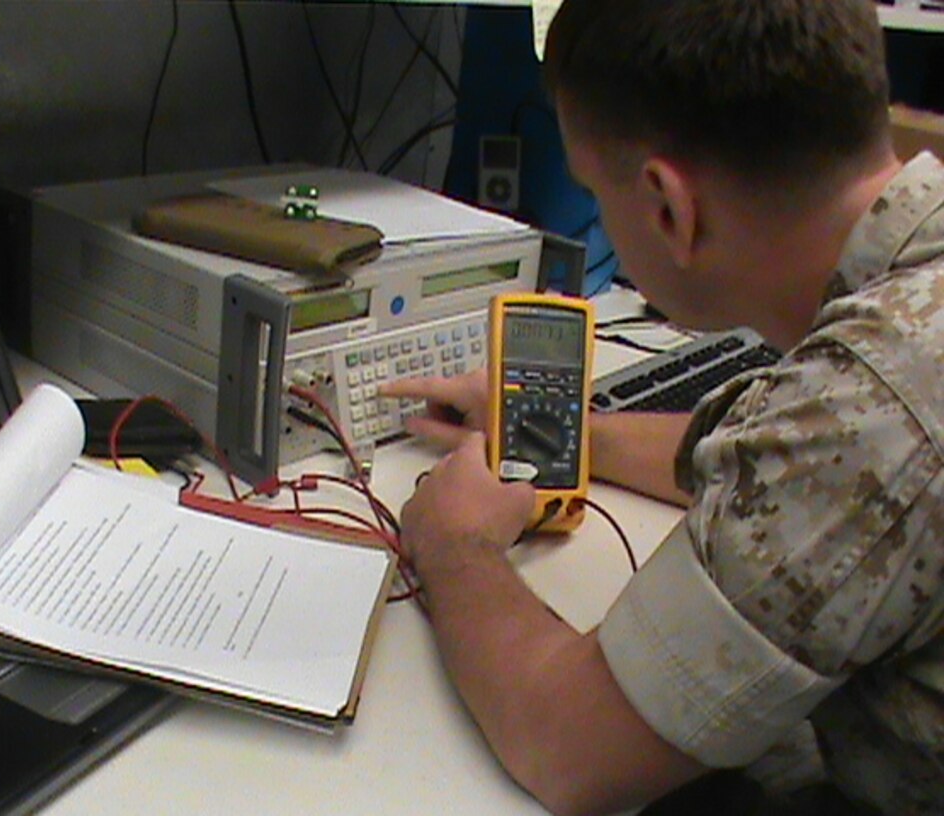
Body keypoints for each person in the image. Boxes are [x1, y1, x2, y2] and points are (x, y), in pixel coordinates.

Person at [378, 1, 944, 814]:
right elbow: (768, 448)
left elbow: (571, 749)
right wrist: (565, 433)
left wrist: (454, 542)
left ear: (668, 207)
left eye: (593, 193)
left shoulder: (871, 402)